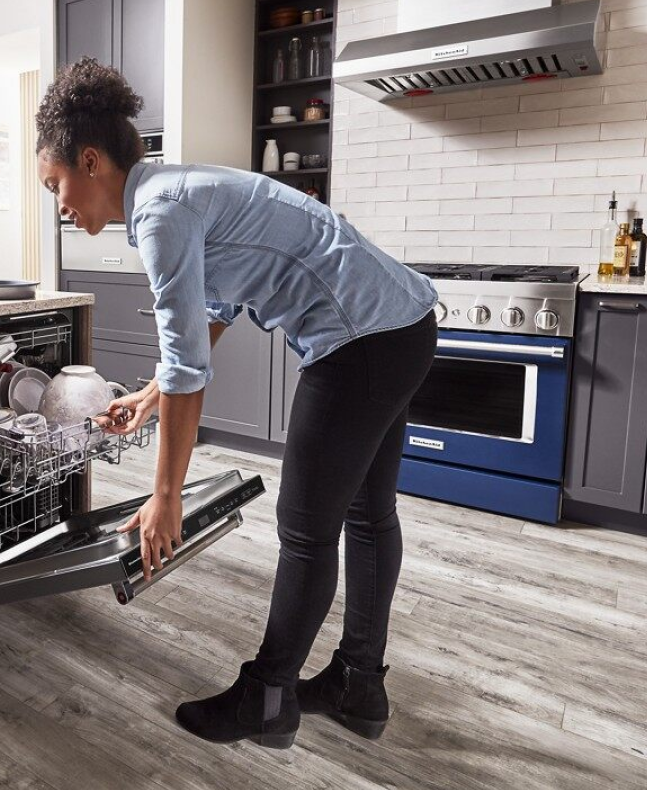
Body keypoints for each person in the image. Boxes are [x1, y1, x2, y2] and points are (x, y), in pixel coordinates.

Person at [35, 58, 438, 749]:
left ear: (91, 160)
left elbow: (192, 366)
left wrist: (165, 495)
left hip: (359, 342)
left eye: (56, 185)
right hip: (401, 325)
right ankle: (358, 684)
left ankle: (268, 699)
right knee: (368, 517)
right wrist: (152, 395)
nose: (61, 204)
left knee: (306, 528)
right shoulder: (171, 189)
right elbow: (215, 305)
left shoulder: (159, 213)